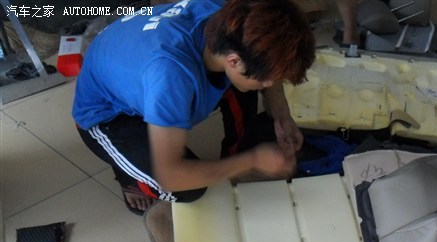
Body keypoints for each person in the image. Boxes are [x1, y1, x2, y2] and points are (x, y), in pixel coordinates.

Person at [72, 0, 316, 214]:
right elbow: (171, 176)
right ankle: (132, 180)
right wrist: (252, 161)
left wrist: (282, 116)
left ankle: (233, 155)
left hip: (135, 65)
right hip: (108, 116)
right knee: (187, 189)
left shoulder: (235, 19)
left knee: (246, 84)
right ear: (233, 60)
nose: (270, 84)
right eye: (267, 80)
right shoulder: (171, 76)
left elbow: (262, 64)